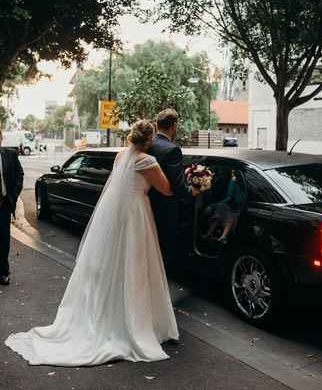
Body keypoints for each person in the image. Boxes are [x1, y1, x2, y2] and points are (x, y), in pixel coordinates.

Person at [5, 120, 179, 366]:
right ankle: (136, 322)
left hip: (118, 215)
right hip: (136, 214)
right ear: (149, 140)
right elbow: (167, 189)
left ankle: (111, 315)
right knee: (136, 264)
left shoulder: (121, 156)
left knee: (114, 264)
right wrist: (193, 185)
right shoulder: (147, 161)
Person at [149, 109, 199, 271]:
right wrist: (196, 189)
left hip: (146, 205)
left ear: (157, 125)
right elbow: (178, 186)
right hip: (165, 210)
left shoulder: (146, 144)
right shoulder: (172, 150)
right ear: (174, 126)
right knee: (164, 252)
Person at [0, 129, 24, 286]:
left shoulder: (10, 154)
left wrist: (12, 197)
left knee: (3, 240)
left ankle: (3, 273)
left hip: (3, 205)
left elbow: (19, 175)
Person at [202, 172, 244, 244]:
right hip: (236, 207)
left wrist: (213, 205)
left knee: (225, 210)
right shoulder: (244, 183)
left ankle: (211, 234)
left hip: (233, 207)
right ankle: (220, 236)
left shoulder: (234, 180)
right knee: (222, 211)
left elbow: (229, 198)